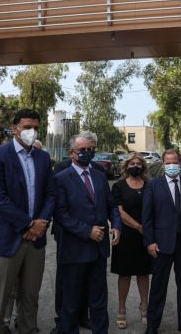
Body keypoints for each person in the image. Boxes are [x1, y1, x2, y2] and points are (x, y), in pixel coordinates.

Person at [0, 109, 55, 334]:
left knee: (30, 296)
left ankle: (27, 329)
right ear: (15, 129)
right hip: (6, 239)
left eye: (36, 128)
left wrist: (41, 222)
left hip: (35, 240)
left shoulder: (42, 157)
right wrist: (28, 224)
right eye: (27, 127)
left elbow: (51, 194)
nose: (32, 132)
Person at [53, 132, 121, 334]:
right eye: (83, 150)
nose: (88, 153)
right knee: (71, 303)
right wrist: (87, 231)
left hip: (98, 251)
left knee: (99, 301)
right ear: (71, 153)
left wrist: (116, 225)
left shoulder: (100, 176)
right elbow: (60, 214)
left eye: (91, 149)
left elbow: (112, 206)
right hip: (74, 250)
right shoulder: (61, 179)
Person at [143, 149, 181, 334]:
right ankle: (152, 325)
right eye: (168, 163)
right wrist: (150, 242)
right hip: (161, 244)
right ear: (163, 165)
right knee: (158, 287)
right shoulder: (153, 185)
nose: (172, 166)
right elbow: (147, 217)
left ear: (180, 164)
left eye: (175, 162)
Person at [111, 152, 152, 329]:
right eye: (132, 163)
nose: (135, 166)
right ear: (126, 166)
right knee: (125, 274)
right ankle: (122, 309)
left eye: (138, 163)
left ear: (143, 166)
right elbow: (119, 212)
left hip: (146, 235)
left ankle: (145, 308)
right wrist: (138, 226)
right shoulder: (118, 186)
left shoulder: (149, 185)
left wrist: (146, 229)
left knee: (143, 273)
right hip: (126, 235)